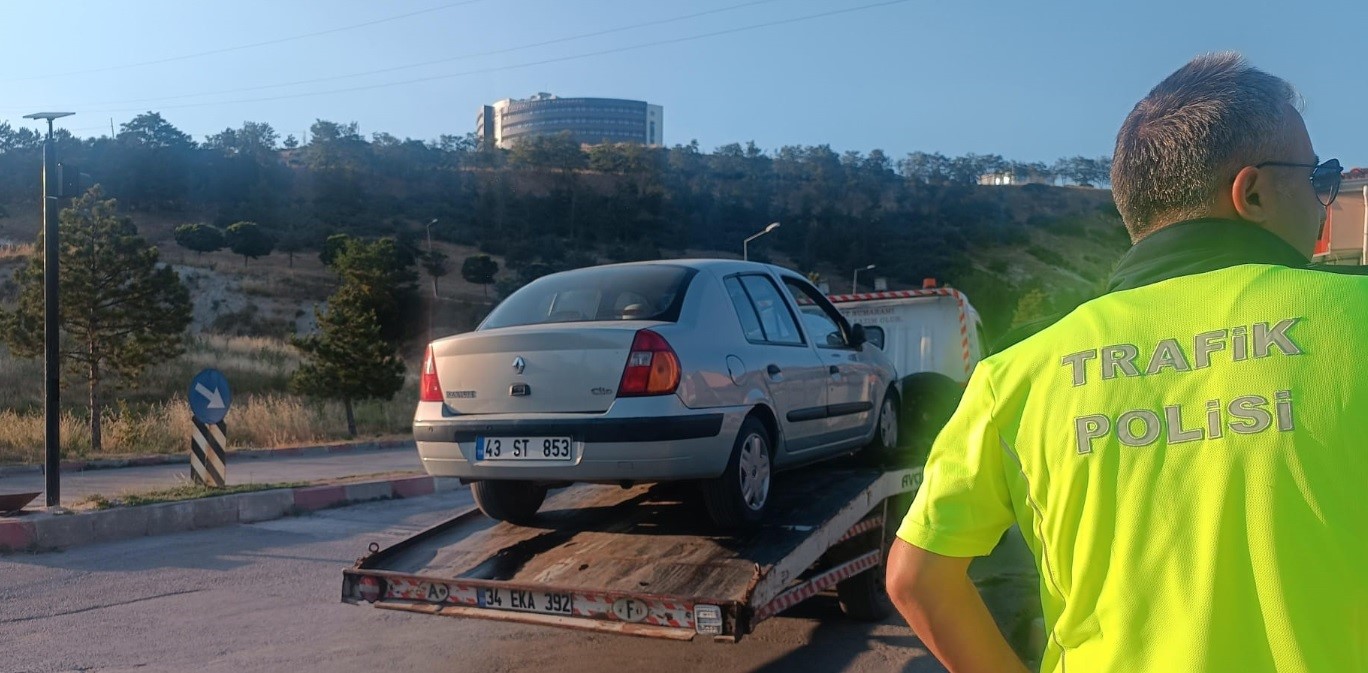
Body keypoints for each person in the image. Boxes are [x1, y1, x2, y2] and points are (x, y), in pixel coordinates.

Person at [885, 52, 1366, 672]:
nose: (1323, 200)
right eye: (1315, 177)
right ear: (1252, 192)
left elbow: (915, 576)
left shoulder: (1020, 373)